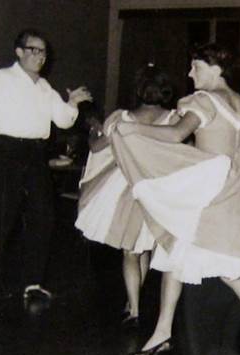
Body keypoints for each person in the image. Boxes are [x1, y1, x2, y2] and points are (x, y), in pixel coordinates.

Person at [114, 43, 240, 355]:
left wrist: (132, 128)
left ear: (214, 69)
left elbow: (175, 136)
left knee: (223, 268)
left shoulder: (204, 101)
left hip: (211, 189)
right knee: (179, 255)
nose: (189, 73)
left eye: (195, 67)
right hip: (237, 188)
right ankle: (162, 334)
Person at [0, 29, 92, 300]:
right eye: (33, 50)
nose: (40, 56)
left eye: (43, 52)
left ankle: (33, 283)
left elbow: (63, 121)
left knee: (44, 216)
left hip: (35, 153)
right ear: (19, 52)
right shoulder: (1, 78)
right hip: (6, 150)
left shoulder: (44, 87)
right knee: (5, 216)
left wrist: (72, 102)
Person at [75, 65, 178, 327]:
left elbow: (97, 147)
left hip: (127, 188)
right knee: (140, 248)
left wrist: (94, 131)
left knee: (131, 252)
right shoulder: (175, 119)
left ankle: (133, 309)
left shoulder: (122, 117)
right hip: (159, 189)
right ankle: (133, 302)